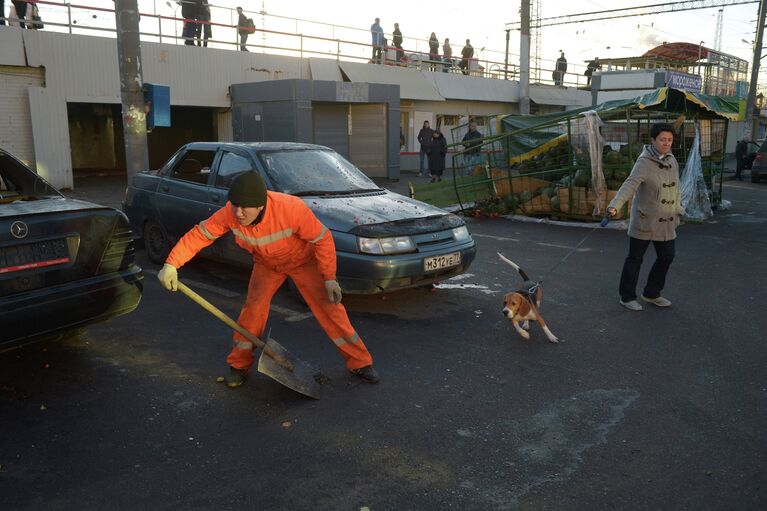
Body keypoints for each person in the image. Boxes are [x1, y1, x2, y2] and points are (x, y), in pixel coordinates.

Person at [157, 172, 380, 386]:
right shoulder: (230, 213)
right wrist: (171, 264)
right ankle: (239, 365)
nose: (238, 212)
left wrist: (329, 277)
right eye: (234, 205)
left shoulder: (290, 209)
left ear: (261, 205)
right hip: (267, 264)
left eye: (245, 207)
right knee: (253, 309)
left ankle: (360, 363)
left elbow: (322, 238)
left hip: (303, 262)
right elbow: (200, 235)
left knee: (330, 309)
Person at [607, 123, 685, 312]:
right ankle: (627, 297)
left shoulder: (672, 159)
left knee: (667, 256)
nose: (666, 143)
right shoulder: (644, 162)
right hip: (646, 218)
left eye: (669, 140)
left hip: (667, 220)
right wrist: (614, 205)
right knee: (635, 259)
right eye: (662, 139)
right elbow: (630, 184)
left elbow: (675, 188)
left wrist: (679, 208)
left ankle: (652, 293)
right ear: (653, 140)